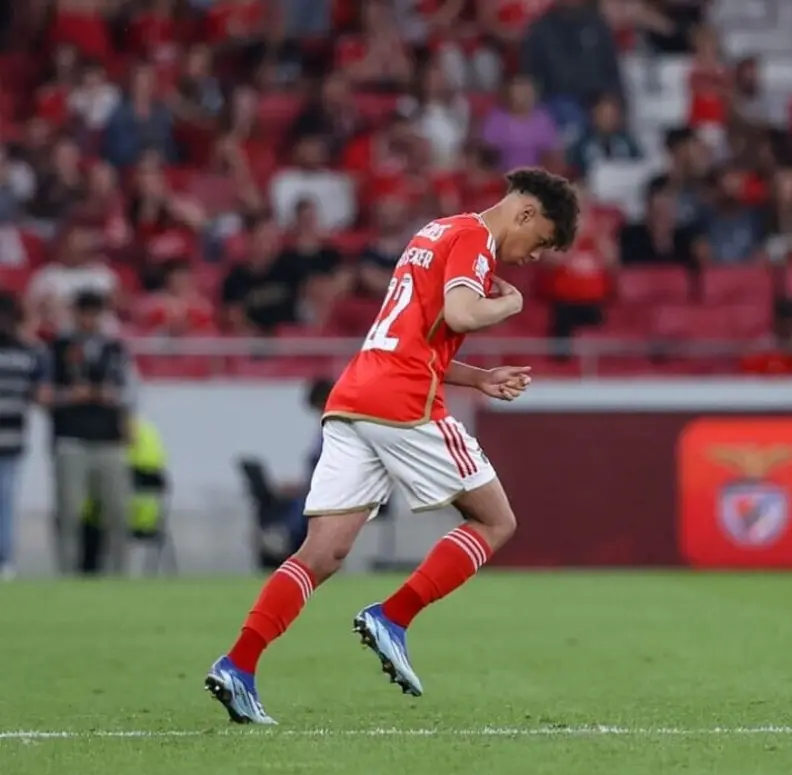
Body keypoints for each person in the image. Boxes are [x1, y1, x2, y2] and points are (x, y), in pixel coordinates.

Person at [205, 167, 580, 725]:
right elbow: (460, 312)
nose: (533, 257)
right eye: (542, 242)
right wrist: (510, 306)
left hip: (356, 395)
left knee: (322, 553)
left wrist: (478, 378)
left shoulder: (436, 231)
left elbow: (414, 336)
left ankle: (239, 665)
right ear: (526, 214)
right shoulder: (477, 240)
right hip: (404, 404)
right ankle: (394, 617)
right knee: (495, 522)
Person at [39, 291, 133, 576]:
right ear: (75, 314)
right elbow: (43, 395)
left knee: (117, 513)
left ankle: (120, 577)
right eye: (85, 313)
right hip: (72, 439)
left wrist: (117, 406)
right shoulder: (57, 348)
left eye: (95, 313)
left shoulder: (115, 349)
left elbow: (129, 393)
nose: (89, 320)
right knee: (69, 514)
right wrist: (71, 395)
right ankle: (67, 574)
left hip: (109, 439)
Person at [0, 293, 44, 581]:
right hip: (12, 435)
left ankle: (4, 560)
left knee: (5, 500)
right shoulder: (27, 353)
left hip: (11, 439)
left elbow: (39, 393)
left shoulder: (28, 352)